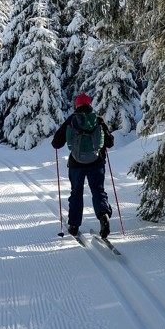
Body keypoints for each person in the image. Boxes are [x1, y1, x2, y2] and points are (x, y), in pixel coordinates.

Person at [52, 93, 115, 239]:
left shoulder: (72, 120)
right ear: (89, 104)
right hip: (97, 163)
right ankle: (103, 215)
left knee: (76, 193)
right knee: (98, 191)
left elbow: (56, 143)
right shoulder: (98, 120)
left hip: (76, 164)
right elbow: (110, 142)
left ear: (77, 105)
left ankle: (74, 225)